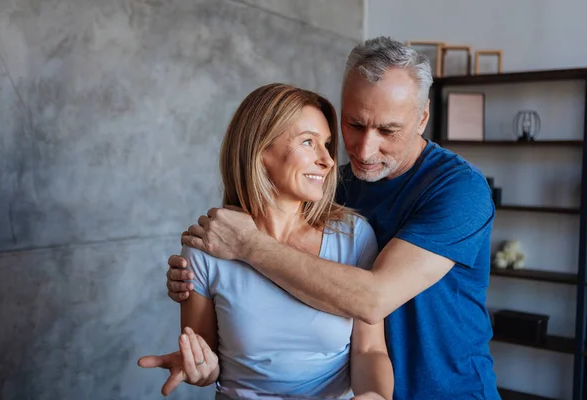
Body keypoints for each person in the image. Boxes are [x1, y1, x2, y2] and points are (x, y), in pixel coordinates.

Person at [166, 36, 500, 400]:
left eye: (387, 130)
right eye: (354, 125)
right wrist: (198, 280)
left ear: (422, 118)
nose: (363, 148)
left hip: (444, 391)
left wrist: (248, 246)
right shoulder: (329, 188)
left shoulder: (459, 190)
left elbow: (373, 299)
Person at [139, 83, 393, 400]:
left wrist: (375, 396)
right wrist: (201, 370)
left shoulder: (354, 236)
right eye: (308, 142)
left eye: (326, 144)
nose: (328, 160)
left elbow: (370, 350)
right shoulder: (207, 246)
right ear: (261, 152)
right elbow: (210, 365)